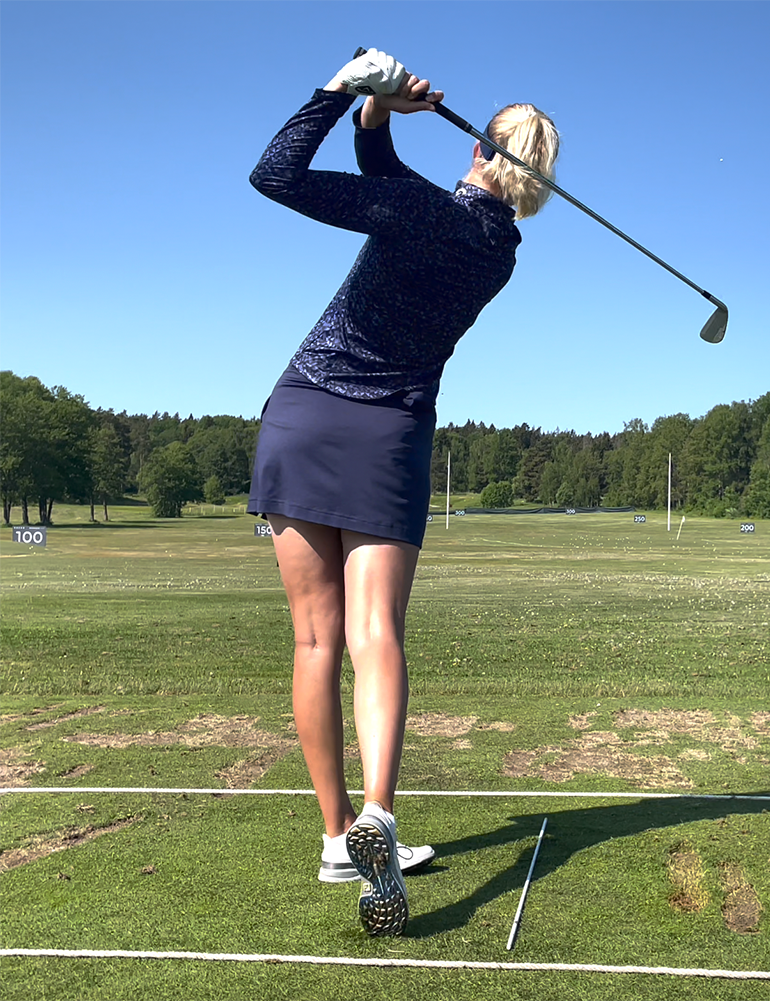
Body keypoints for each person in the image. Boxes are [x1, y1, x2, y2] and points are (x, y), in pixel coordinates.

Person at [247, 48, 560, 936]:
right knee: (373, 629)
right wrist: (381, 118)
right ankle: (376, 813)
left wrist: (340, 89)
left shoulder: (424, 211)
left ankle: (335, 837)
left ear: (477, 153)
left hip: (306, 414)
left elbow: (275, 175)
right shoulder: (500, 249)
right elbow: (394, 191)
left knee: (316, 638)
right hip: (390, 432)